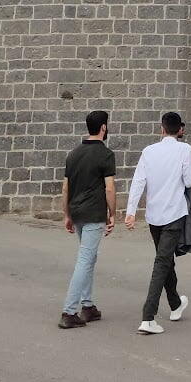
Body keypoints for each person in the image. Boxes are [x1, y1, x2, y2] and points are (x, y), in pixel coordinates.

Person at [124, 111, 191, 335]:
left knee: (164, 260)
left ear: (161, 128)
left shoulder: (148, 151)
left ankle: (175, 304)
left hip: (154, 215)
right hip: (174, 213)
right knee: (162, 262)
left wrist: (130, 212)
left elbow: (138, 182)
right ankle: (148, 317)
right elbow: (189, 180)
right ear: (179, 130)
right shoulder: (185, 150)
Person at [58, 109, 116, 328]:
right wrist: (113, 214)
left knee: (89, 258)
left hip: (77, 212)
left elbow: (66, 188)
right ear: (103, 127)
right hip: (93, 214)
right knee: (85, 259)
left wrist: (67, 214)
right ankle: (69, 311)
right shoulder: (105, 154)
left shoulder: (73, 154)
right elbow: (109, 188)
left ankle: (88, 306)